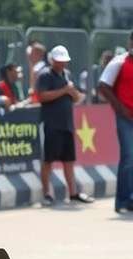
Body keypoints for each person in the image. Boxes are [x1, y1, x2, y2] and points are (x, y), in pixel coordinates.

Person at [36, 45, 92, 205]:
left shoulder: (67, 75)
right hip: (50, 124)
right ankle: (47, 193)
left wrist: (73, 93)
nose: (62, 64)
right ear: (52, 60)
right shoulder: (45, 75)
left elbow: (76, 97)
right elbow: (42, 96)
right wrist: (64, 90)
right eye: (59, 61)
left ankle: (73, 193)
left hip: (67, 124)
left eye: (64, 61)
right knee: (48, 160)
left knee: (69, 160)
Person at [98, 31, 133, 213]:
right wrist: (120, 108)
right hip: (126, 117)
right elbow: (103, 86)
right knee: (128, 158)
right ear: (130, 42)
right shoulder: (119, 62)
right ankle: (122, 201)